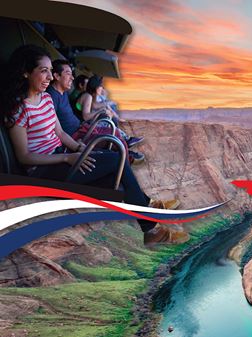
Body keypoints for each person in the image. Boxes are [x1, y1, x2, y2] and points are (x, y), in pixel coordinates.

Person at [0, 45, 188, 245]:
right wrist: (67, 157)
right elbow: (24, 156)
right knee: (117, 160)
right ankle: (150, 223)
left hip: (63, 154)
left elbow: (61, 133)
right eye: (43, 71)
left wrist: (79, 148)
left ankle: (150, 222)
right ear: (26, 72)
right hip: (44, 170)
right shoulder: (19, 108)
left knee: (115, 179)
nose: (49, 77)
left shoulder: (46, 99)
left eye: (49, 71)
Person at [47, 60, 145, 164]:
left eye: (72, 74)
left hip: (80, 128)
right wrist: (76, 144)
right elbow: (55, 130)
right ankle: (125, 158)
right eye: (68, 74)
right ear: (57, 76)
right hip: (75, 135)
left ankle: (125, 153)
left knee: (114, 132)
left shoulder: (63, 93)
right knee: (113, 133)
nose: (72, 78)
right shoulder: (51, 96)